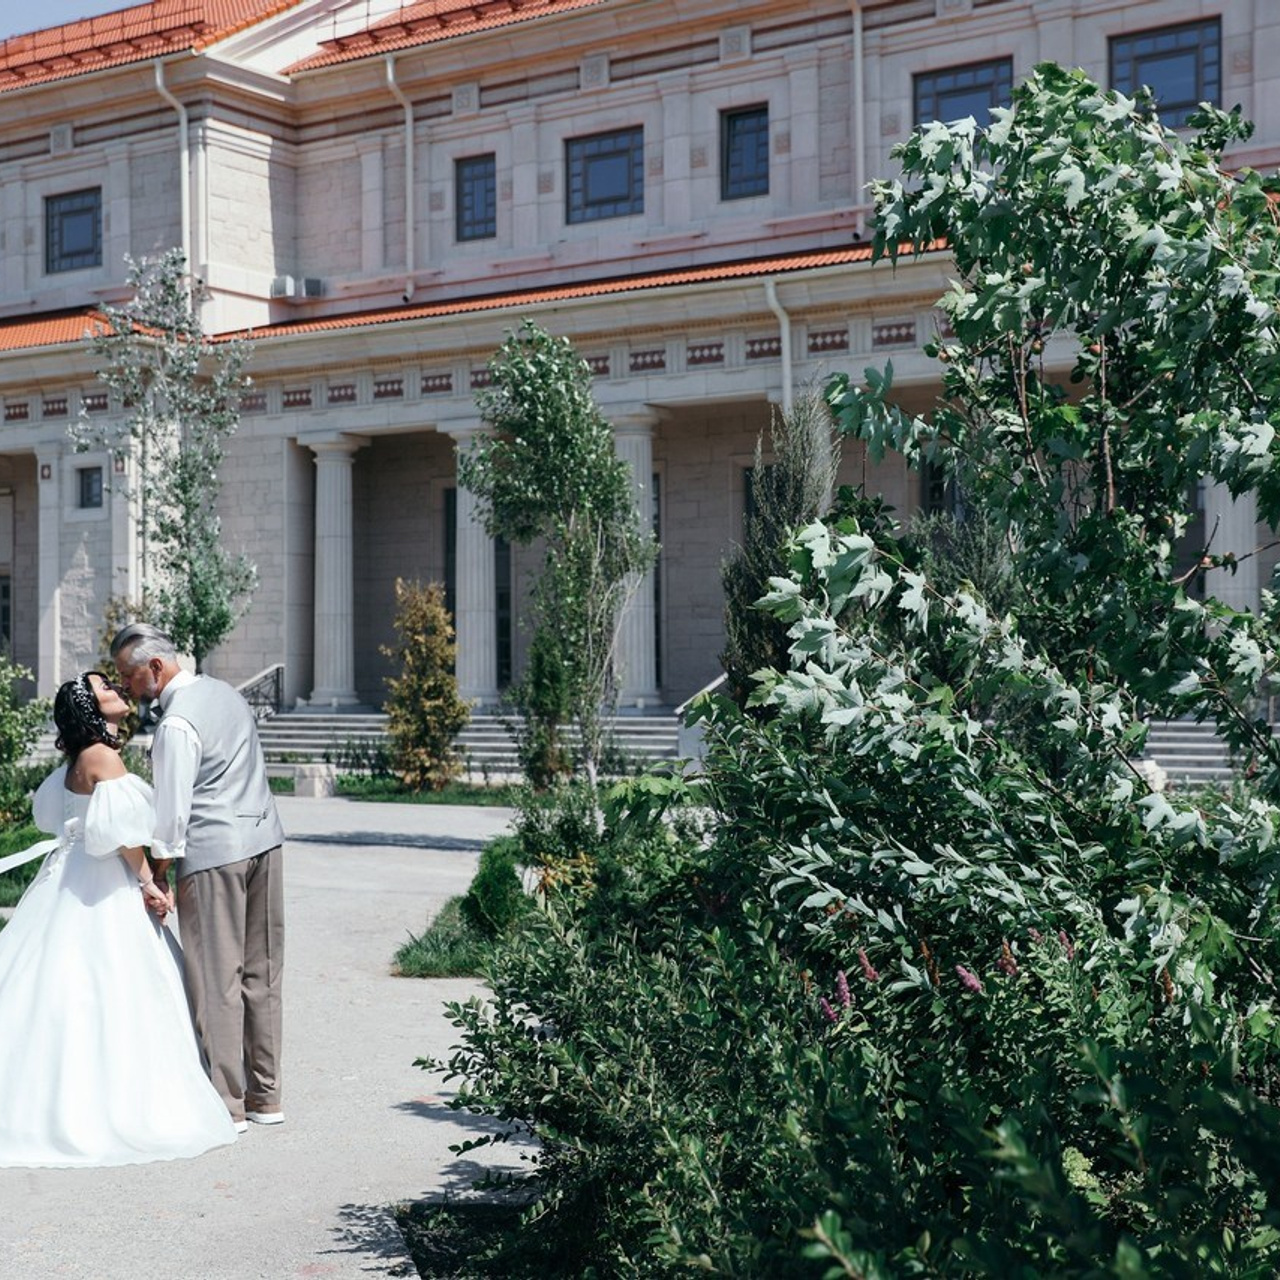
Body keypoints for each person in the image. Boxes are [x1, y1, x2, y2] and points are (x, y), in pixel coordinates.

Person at [0, 672, 238, 1167]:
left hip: (68, 875)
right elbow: (122, 833)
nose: (116, 691)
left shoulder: (77, 759)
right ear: (90, 706)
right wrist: (150, 881)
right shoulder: (102, 757)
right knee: (113, 983)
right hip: (101, 879)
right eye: (105, 687)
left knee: (57, 986)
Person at [111, 623, 286, 1134]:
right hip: (266, 842)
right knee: (264, 974)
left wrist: (159, 874)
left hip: (214, 855)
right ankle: (267, 1096)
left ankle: (227, 1106)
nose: (127, 686)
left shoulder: (175, 725)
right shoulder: (226, 694)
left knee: (217, 981)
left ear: (157, 668)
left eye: (129, 675)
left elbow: (172, 815)